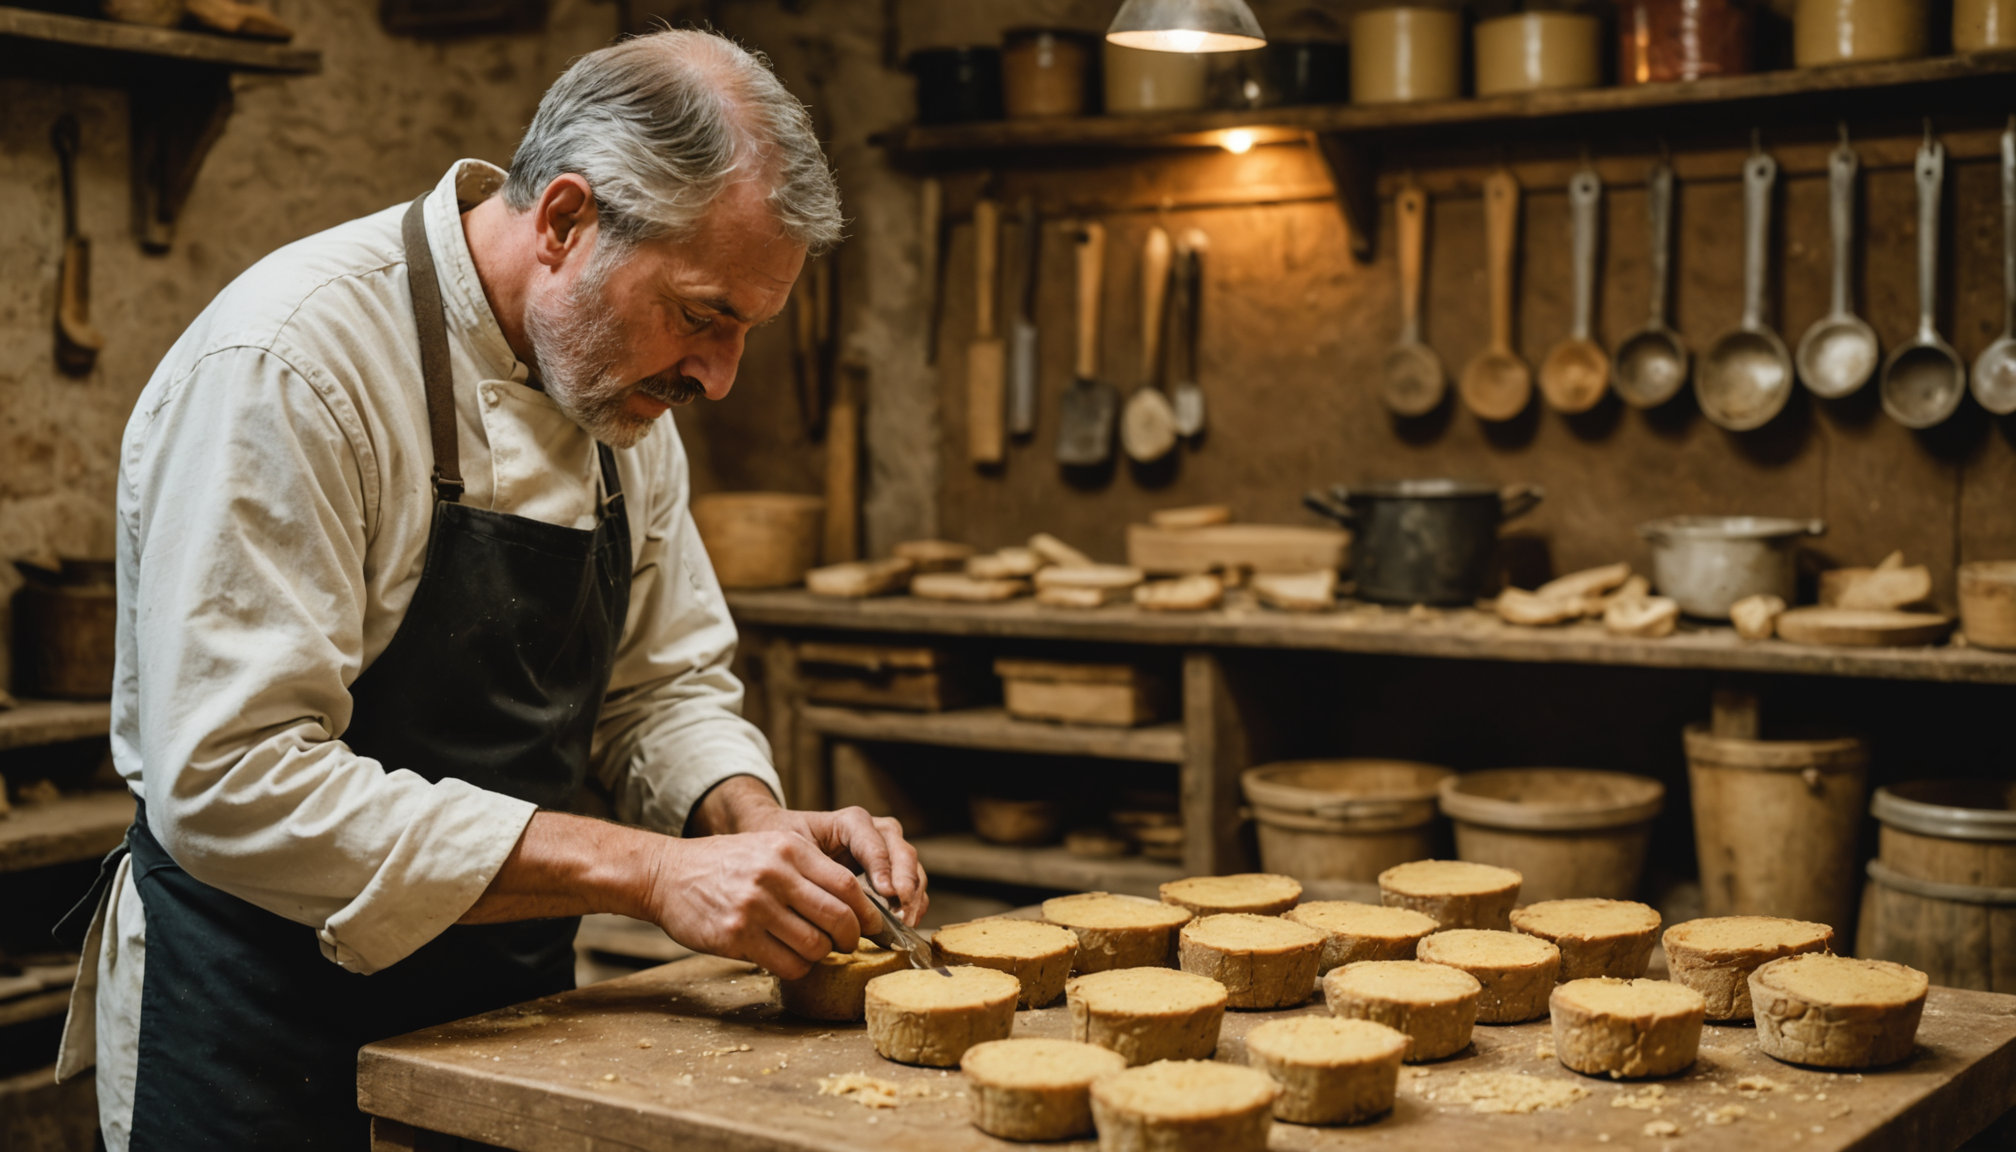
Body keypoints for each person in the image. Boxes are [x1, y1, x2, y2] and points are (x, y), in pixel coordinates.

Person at [51, 28, 924, 1150]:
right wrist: (656, 872)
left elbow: (660, 689)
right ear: (565, 221)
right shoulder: (292, 366)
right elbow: (232, 778)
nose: (718, 375)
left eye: (747, 331)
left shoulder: (618, 394)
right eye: (706, 315)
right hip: (264, 1027)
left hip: (501, 1017)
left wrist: (757, 834)